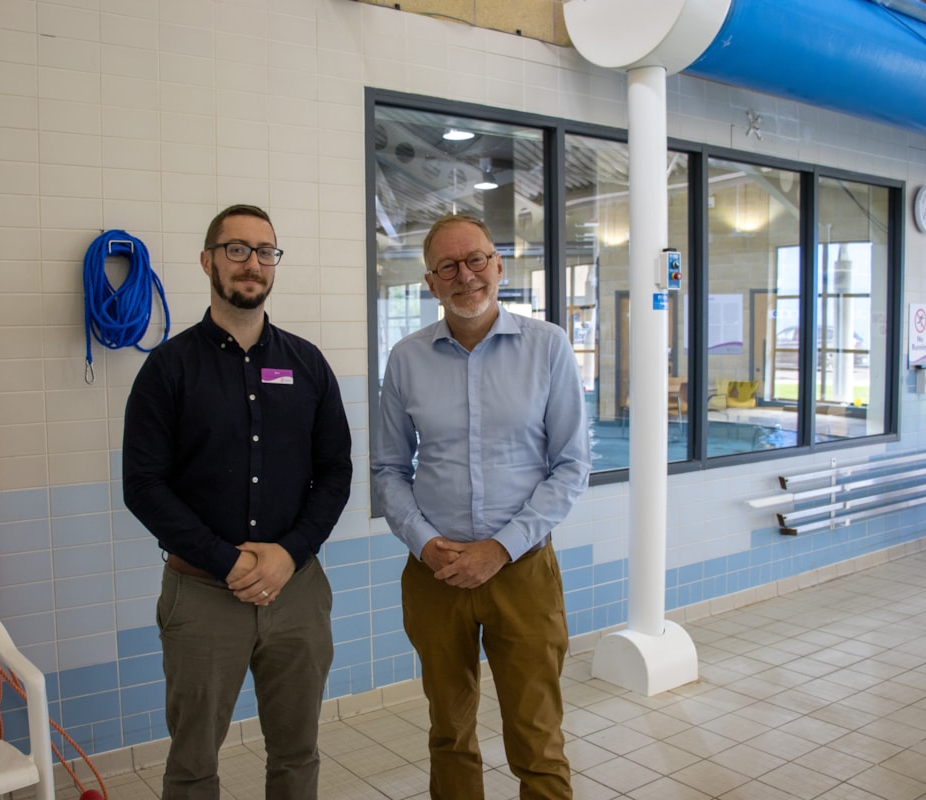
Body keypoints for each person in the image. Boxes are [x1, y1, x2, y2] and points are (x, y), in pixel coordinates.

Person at [123, 203, 352, 800]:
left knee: (297, 755)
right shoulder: (168, 368)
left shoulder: (307, 365)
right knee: (194, 763)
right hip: (201, 594)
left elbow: (335, 472)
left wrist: (288, 554)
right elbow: (143, 485)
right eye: (237, 249)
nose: (253, 263)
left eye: (265, 251)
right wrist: (230, 562)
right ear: (208, 260)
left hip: (297, 591)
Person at [371, 213, 590, 799]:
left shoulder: (548, 348)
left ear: (499, 266)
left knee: (537, 738)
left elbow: (571, 464)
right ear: (430, 282)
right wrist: (424, 542)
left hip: (522, 571)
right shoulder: (406, 359)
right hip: (435, 574)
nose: (464, 275)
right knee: (449, 731)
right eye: (448, 266)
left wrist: (500, 548)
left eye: (475, 260)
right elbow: (388, 469)